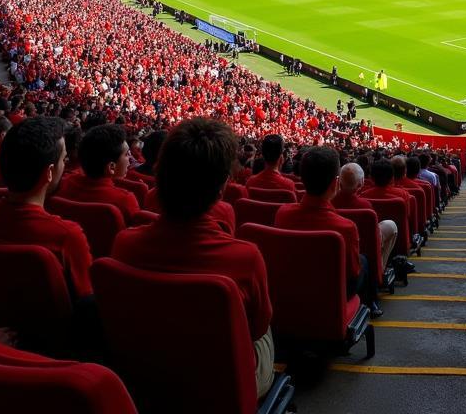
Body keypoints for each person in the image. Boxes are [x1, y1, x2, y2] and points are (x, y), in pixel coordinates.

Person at [111, 118, 275, 399]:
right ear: (223, 187)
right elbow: (257, 328)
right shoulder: (245, 258)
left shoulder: (124, 244)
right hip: (224, 384)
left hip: (146, 376)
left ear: (161, 174)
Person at [0, 115, 93, 300]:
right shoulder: (67, 236)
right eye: (64, 159)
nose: (66, 164)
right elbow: (87, 302)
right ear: (49, 173)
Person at [275, 147, 380, 317]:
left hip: (290, 297)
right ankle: (370, 304)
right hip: (330, 304)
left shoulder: (282, 214)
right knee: (364, 262)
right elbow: (353, 274)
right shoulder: (346, 227)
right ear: (335, 184)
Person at [58, 123, 139, 221]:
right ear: (111, 167)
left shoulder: (62, 183)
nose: (130, 159)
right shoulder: (125, 200)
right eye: (126, 154)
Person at [332, 161, 397, 276]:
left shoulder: (330, 202)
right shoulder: (364, 205)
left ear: (339, 182)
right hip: (361, 247)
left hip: (337, 248)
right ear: (361, 183)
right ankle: (380, 268)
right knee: (391, 225)